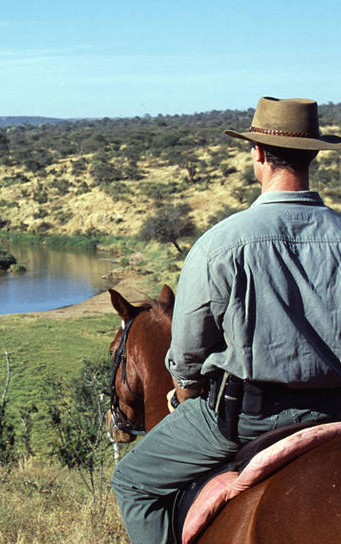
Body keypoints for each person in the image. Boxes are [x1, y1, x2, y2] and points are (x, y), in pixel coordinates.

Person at [111, 97, 341, 544]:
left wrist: (187, 390)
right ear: (313, 154)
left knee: (133, 482)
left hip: (249, 418)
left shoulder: (221, 245)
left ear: (257, 154)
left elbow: (187, 357)